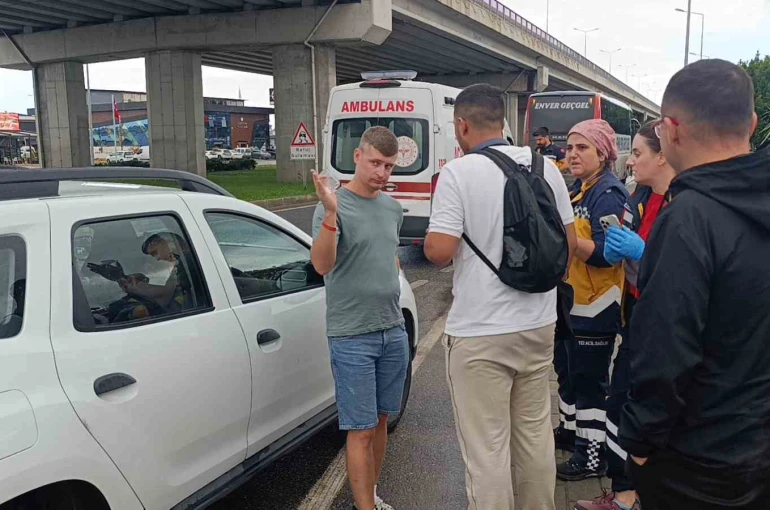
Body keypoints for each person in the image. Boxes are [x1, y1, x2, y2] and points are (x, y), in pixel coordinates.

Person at [619, 59, 770, 509]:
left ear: (670, 129)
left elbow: (665, 345)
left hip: (696, 463)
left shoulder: (688, 217)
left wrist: (640, 443)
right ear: (753, 124)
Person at [424, 83, 577, 510]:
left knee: (487, 450)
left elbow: (438, 252)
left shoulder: (458, 173)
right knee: (533, 437)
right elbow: (566, 245)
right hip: (539, 324)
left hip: (480, 333)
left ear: (462, 125)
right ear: (504, 122)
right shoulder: (546, 167)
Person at [574, 121, 676, 510]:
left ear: (663, 155)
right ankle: (625, 493)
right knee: (620, 401)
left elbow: (683, 273)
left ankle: (629, 494)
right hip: (636, 310)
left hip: (660, 320)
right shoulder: (641, 197)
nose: (629, 162)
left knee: (629, 403)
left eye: (637, 154)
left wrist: (642, 253)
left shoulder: (682, 204)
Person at [310, 126, 408, 510]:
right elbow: (322, 264)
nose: (381, 173)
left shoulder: (392, 207)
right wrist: (332, 213)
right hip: (352, 335)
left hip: (392, 329)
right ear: (357, 157)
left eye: (388, 166)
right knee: (361, 429)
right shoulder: (333, 205)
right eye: (374, 163)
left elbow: (390, 257)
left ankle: (370, 497)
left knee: (382, 421)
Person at [554, 119, 628, 482]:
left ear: (603, 153)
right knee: (567, 374)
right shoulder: (580, 188)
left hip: (598, 305)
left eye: (582, 148)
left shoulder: (609, 193)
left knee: (589, 382)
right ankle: (570, 433)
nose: (572, 154)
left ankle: (591, 454)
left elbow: (606, 254)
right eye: (569, 148)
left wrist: (567, 239)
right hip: (573, 301)